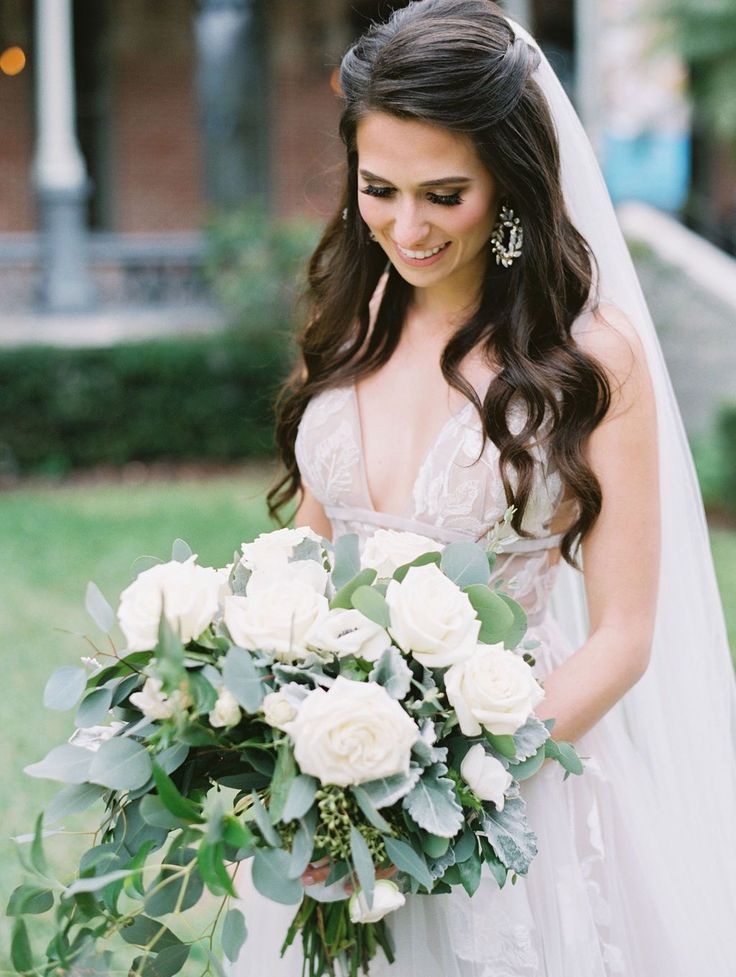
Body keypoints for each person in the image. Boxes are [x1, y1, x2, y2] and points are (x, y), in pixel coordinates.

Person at [231, 2, 736, 974]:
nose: (405, 227)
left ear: (509, 182)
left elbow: (624, 635)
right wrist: (254, 690)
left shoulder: (589, 357)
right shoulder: (358, 309)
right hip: (332, 774)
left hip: (509, 779)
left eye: (443, 194)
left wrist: (443, 787)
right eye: (378, 188)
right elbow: (307, 544)